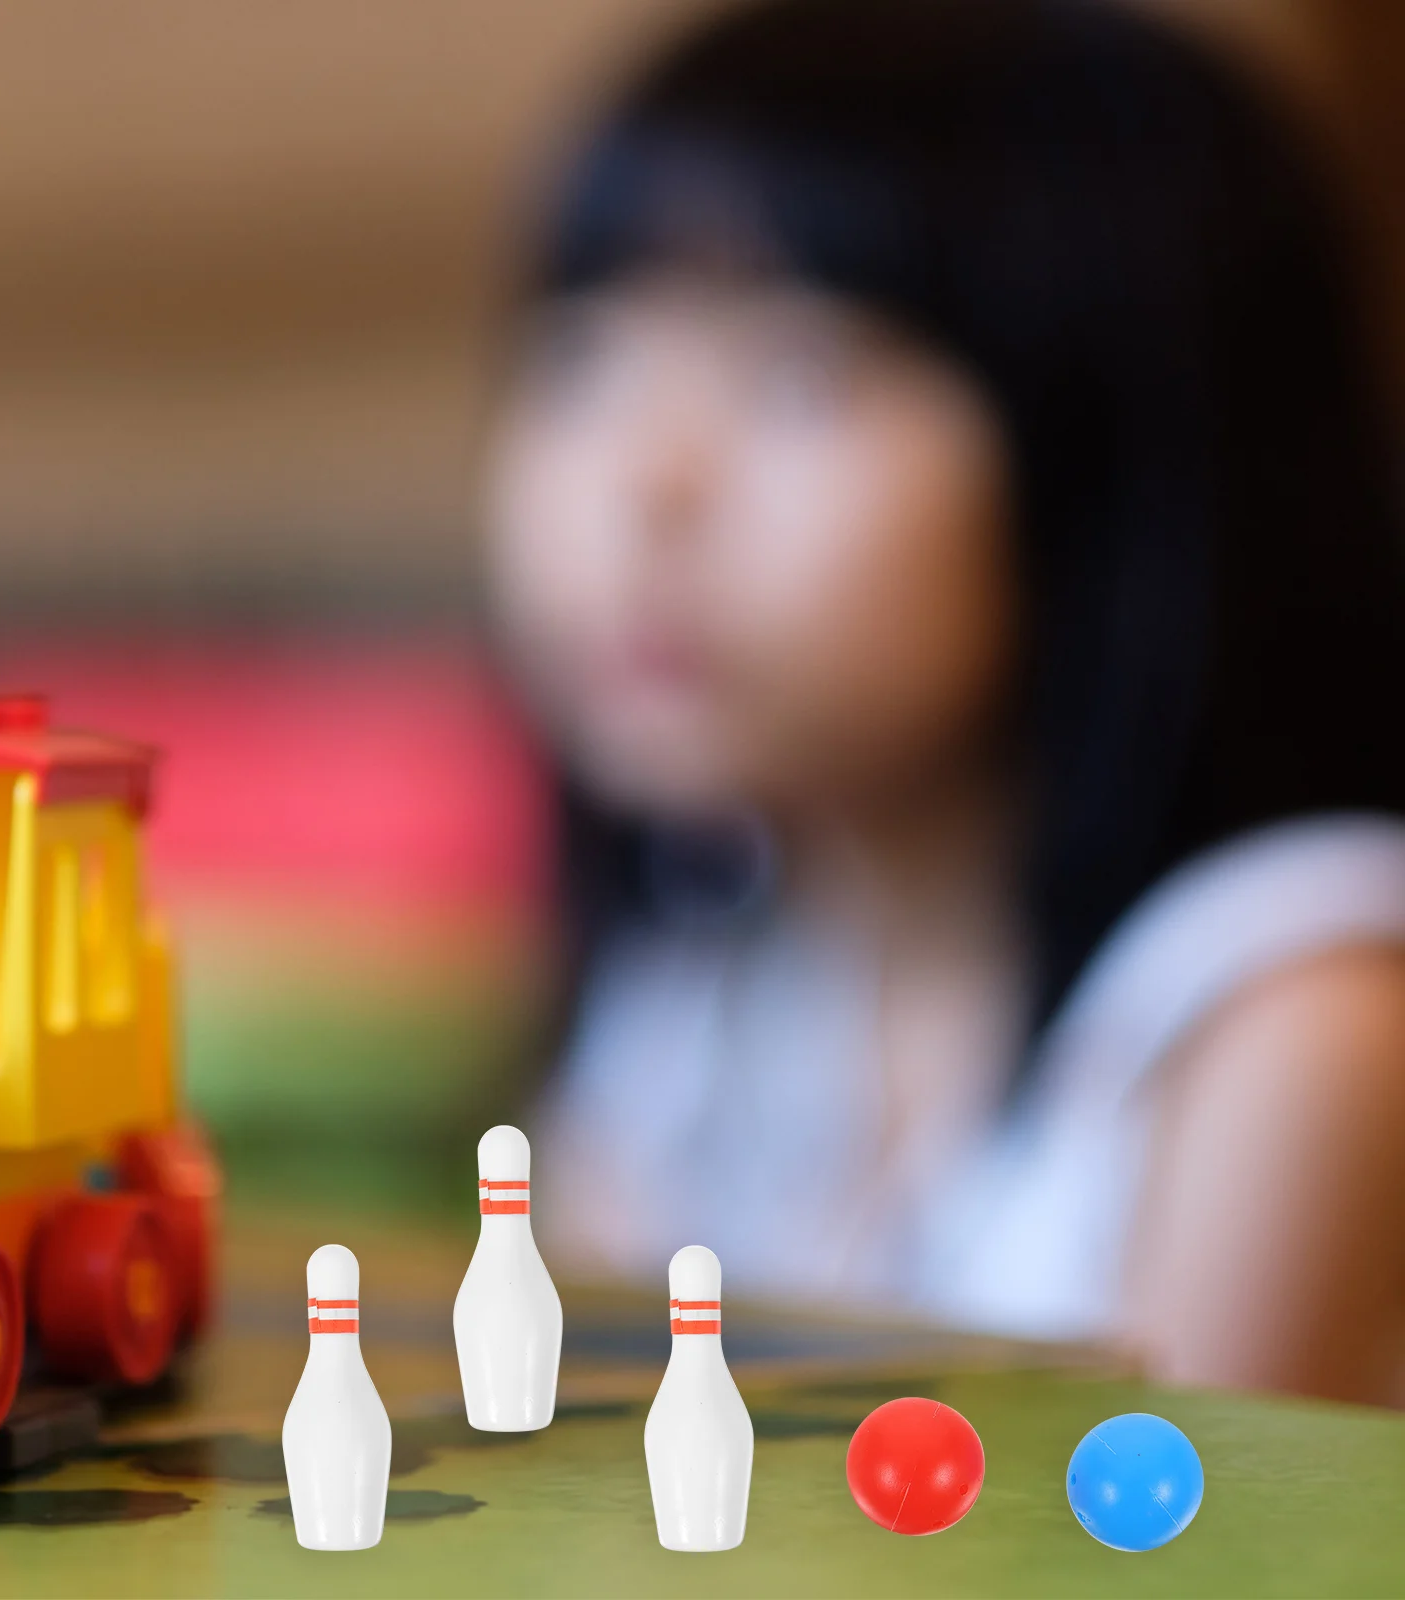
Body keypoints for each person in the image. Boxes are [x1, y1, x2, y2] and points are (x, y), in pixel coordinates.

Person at [482, 0, 1405, 1404]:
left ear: (1105, 454)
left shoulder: (1295, 1023)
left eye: (797, 376)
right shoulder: (700, 967)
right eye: (583, 360)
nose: (641, 487)